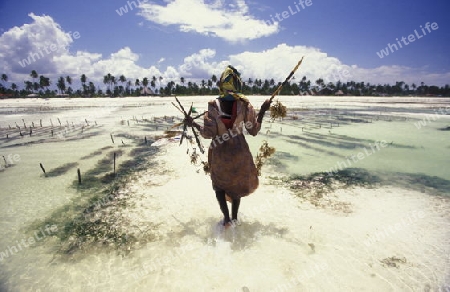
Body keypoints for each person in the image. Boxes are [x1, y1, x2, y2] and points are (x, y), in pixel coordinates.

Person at [187, 65, 271, 227]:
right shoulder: (245, 105)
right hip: (239, 152)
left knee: (218, 185)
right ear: (237, 84)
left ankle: (226, 219)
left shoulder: (213, 105)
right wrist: (262, 111)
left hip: (219, 151)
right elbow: (253, 130)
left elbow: (208, 134)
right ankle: (234, 218)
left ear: (221, 84)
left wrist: (193, 124)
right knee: (236, 186)